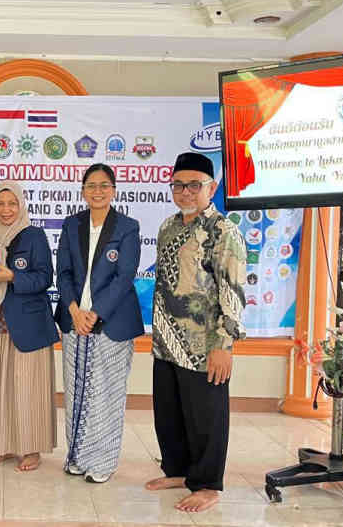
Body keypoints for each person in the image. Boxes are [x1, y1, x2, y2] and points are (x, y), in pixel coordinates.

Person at [144, 152, 247, 514]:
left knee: (206, 416)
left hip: (205, 344)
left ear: (211, 188)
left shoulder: (223, 231)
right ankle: (178, 470)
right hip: (167, 341)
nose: (185, 192)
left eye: (193, 185)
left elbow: (232, 291)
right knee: (169, 412)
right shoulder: (168, 227)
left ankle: (206, 484)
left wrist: (224, 345)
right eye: (178, 185)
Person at [54, 163, 144, 484]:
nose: (98, 191)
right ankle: (77, 457)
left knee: (106, 393)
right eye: (91, 185)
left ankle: (102, 462)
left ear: (114, 190)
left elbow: (125, 275)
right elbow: (63, 272)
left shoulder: (127, 227)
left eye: (104, 185)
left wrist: (95, 313)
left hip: (113, 322)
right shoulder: (71, 224)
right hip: (74, 320)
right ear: (82, 191)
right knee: (76, 390)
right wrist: (75, 310)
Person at [0, 181, 59, 472]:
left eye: (12, 203)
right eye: (0, 204)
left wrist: (12, 277)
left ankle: (31, 449)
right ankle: (5, 443)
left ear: (21, 205)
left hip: (28, 325)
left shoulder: (34, 235)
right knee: (1, 387)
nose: (5, 210)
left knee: (29, 389)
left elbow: (45, 278)